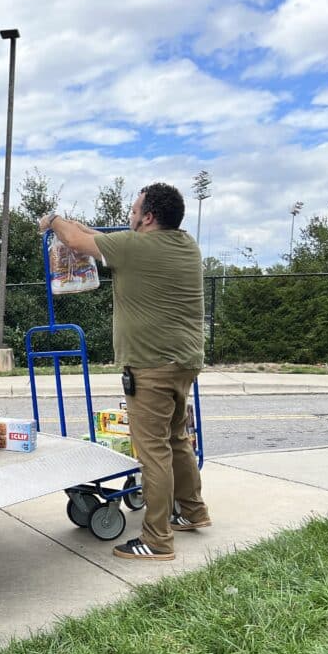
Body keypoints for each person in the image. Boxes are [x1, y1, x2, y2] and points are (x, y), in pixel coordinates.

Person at [38, 183, 209, 561]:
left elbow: (80, 244)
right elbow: (105, 240)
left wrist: (53, 221)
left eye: (133, 212)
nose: (129, 216)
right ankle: (192, 511)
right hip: (184, 363)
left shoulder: (136, 248)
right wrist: (79, 227)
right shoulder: (184, 245)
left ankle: (158, 540)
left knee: (153, 453)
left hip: (151, 367)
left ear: (148, 217)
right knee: (177, 439)